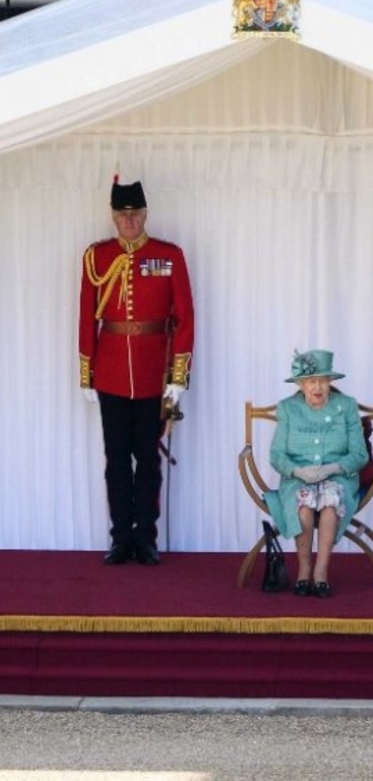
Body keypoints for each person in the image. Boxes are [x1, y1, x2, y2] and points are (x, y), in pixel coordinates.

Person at [79, 178, 194, 565]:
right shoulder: (96, 257)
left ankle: (145, 538)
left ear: (145, 215)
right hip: (111, 372)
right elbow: (86, 316)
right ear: (113, 217)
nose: (128, 221)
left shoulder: (168, 256)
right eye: (122, 215)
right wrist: (87, 372)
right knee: (115, 460)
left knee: (148, 459)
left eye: (135, 214)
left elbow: (184, 318)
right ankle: (120, 538)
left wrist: (178, 376)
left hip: (152, 373)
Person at [266, 349, 369, 598]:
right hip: (298, 478)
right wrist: (297, 470)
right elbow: (277, 455)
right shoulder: (288, 408)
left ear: (330, 382)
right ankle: (304, 570)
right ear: (300, 384)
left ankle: (321, 572)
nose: (318, 387)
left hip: (337, 476)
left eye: (323, 380)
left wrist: (332, 468)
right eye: (311, 381)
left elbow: (359, 454)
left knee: (330, 504)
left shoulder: (346, 406)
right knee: (303, 506)